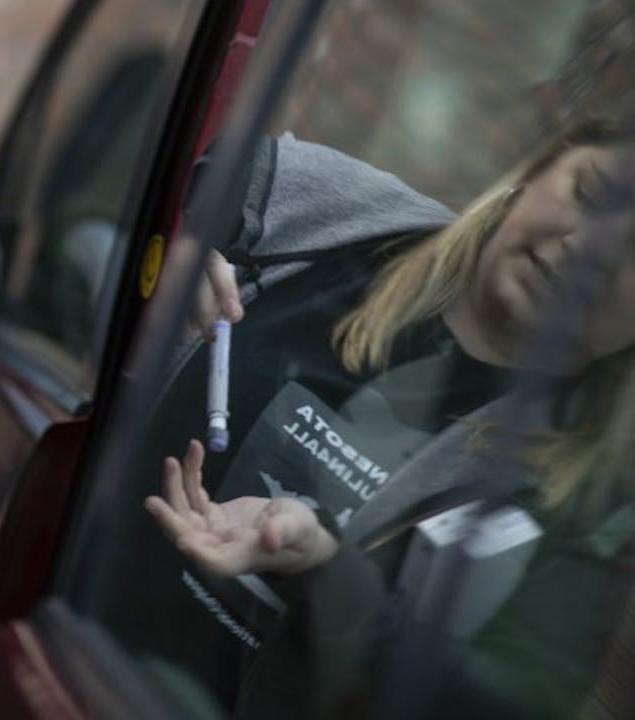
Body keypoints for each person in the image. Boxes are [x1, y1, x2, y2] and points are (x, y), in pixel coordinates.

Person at [141, 122, 635, 719]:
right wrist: (179, 250)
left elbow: (504, 707)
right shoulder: (346, 223)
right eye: (591, 194)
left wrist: (324, 569)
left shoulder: (594, 506)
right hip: (62, 646)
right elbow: (186, 164)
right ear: (536, 172)